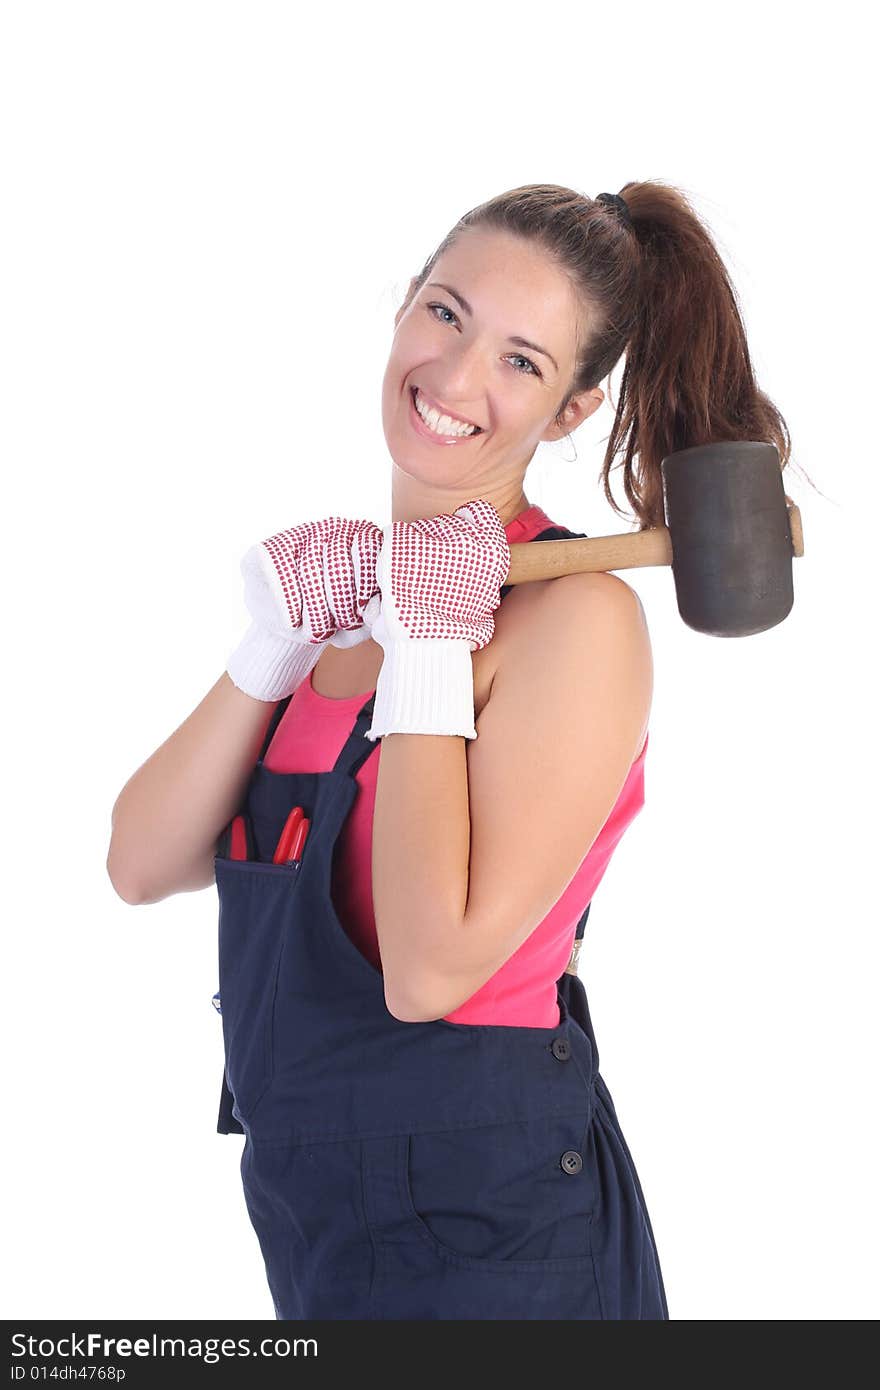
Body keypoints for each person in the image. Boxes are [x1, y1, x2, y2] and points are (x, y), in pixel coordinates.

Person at [107, 181, 793, 1321]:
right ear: (400, 313)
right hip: (320, 1224)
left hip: (500, 1237)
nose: (458, 376)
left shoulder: (573, 624)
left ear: (572, 410)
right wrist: (271, 645)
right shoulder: (350, 608)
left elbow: (431, 972)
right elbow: (139, 862)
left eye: (524, 362)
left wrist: (425, 648)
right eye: (445, 312)